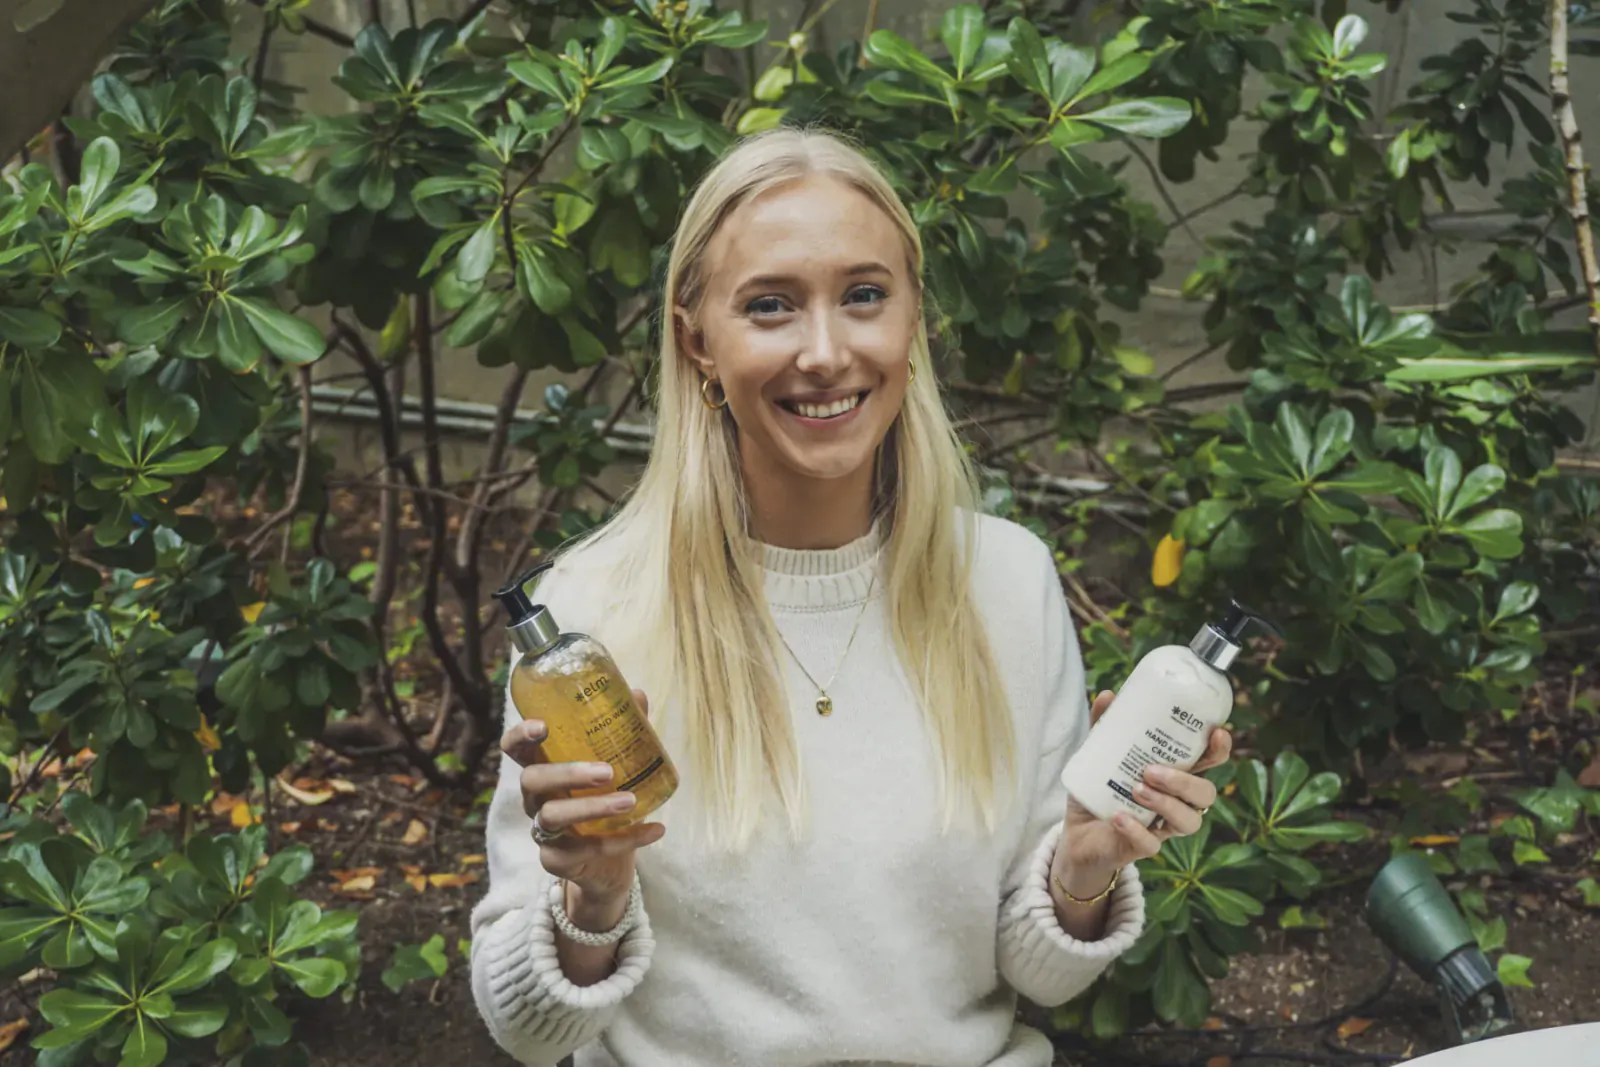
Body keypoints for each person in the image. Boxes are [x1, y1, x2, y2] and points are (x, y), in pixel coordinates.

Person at [469, 127, 1231, 1067]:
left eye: (864, 295)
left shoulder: (1006, 582)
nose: (825, 352)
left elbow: (1043, 976)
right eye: (771, 306)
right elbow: (529, 1033)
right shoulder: (588, 616)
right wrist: (591, 901)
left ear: (913, 318)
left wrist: (1083, 869)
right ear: (696, 339)